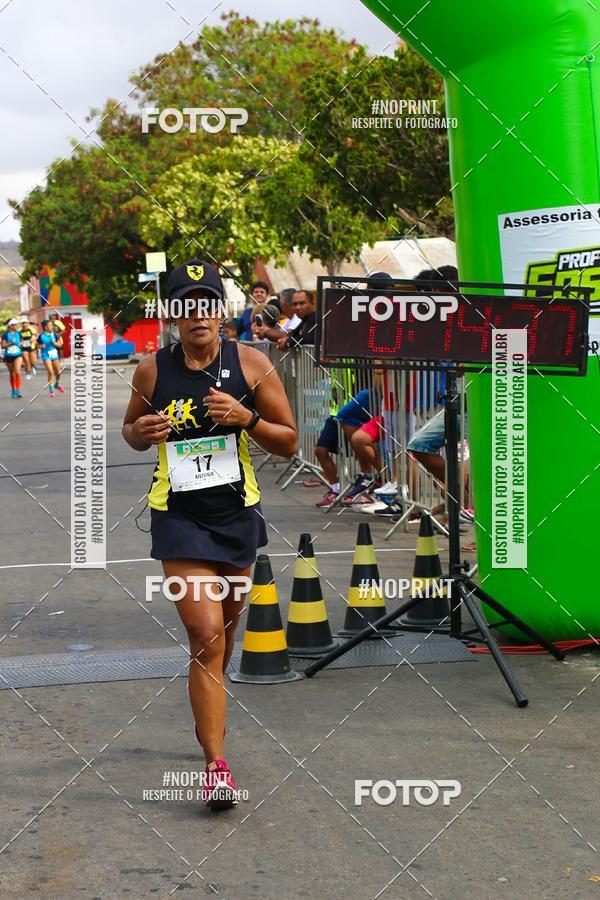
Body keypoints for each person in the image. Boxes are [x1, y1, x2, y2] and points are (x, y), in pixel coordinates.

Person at [122, 259, 297, 810]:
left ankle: (209, 722)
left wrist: (246, 419)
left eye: (207, 303)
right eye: (186, 304)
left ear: (220, 312)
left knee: (222, 639)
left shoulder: (252, 362)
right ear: (172, 313)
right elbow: (131, 431)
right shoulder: (151, 371)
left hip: (235, 517)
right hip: (178, 516)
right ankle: (216, 766)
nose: (197, 314)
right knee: (204, 632)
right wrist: (141, 431)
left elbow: (289, 441)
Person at [314, 388, 374, 508]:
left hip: (356, 413)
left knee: (359, 446)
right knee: (320, 450)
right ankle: (335, 490)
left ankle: (366, 483)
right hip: (337, 414)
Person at [37, 319, 63, 397]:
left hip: (54, 354)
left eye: (52, 325)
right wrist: (41, 346)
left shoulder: (54, 334)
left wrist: (54, 343)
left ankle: (57, 384)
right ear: (45, 327)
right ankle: (51, 390)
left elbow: (60, 345)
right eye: (50, 325)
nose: (52, 326)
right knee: (51, 372)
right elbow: (37, 345)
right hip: (45, 355)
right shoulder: (41, 336)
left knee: (58, 372)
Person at [2, 318, 23, 398]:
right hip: (9, 355)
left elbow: (21, 342)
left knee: (17, 372)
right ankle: (13, 389)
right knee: (12, 374)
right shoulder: (5, 334)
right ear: (10, 325)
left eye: (16, 324)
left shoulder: (19, 333)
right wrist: (10, 343)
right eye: (14, 324)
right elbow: (3, 346)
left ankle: (18, 390)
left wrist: (21, 344)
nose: (16, 325)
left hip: (18, 354)